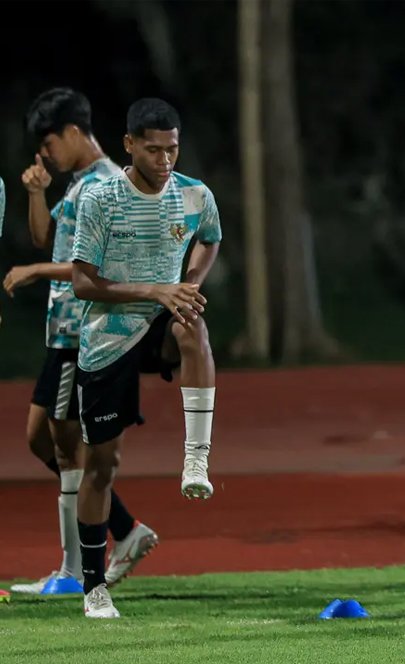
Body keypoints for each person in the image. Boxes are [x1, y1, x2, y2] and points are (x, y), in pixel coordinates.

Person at [71, 97, 221, 618]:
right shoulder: (101, 199)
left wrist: (188, 285)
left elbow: (209, 240)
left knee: (192, 324)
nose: (164, 161)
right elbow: (82, 282)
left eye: (172, 150)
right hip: (107, 336)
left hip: (158, 320)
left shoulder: (195, 195)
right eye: (153, 150)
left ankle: (196, 458)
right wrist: (156, 289)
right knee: (101, 468)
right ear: (129, 145)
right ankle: (93, 587)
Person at [5, 88, 157, 597]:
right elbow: (47, 241)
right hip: (62, 331)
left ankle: (72, 572)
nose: (44, 154)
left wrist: (32, 272)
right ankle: (126, 530)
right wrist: (34, 193)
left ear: (73, 132)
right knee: (39, 438)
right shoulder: (76, 185)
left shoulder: (109, 186)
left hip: (84, 334)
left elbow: (85, 268)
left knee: (70, 448)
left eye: (48, 144)